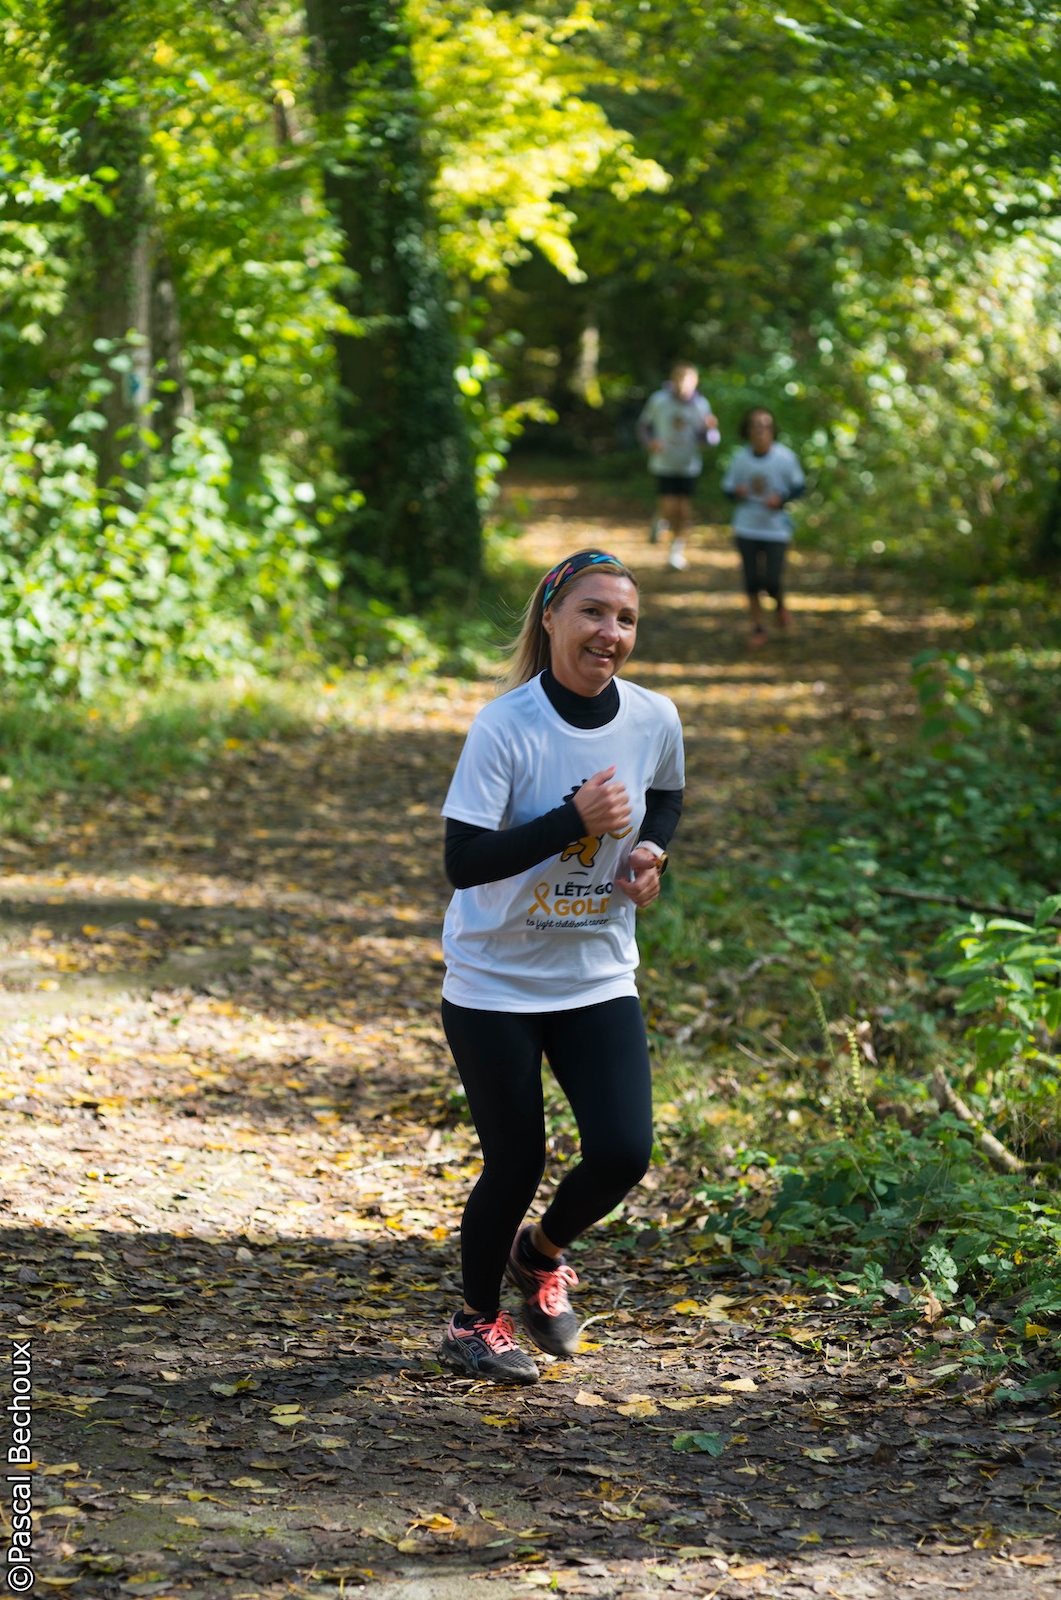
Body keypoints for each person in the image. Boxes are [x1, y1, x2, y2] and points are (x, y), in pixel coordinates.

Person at [437, 549, 686, 1384]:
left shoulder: (653, 717)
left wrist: (650, 851)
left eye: (626, 618)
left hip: (595, 972)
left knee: (623, 1150)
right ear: (550, 618)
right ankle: (474, 1324)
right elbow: (464, 861)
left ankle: (539, 1253)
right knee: (516, 1160)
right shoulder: (504, 725)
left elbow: (667, 794)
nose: (610, 632)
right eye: (592, 612)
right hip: (494, 982)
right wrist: (572, 820)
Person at [722, 406, 806, 647]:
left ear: (772, 430)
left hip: (776, 529)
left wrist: (781, 499)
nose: (760, 431)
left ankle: (779, 606)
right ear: (747, 430)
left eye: (765, 426)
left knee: (772, 579)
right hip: (746, 526)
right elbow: (727, 488)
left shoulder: (785, 457)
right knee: (751, 580)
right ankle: (758, 626)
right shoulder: (740, 458)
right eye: (755, 426)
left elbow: (800, 487)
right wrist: (736, 492)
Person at [637, 361, 720, 571]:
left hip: (688, 465)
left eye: (688, 380)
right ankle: (661, 519)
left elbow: (708, 440)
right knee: (670, 506)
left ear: (695, 382)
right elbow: (644, 426)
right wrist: (650, 443)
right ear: (673, 380)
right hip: (664, 463)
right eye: (680, 379)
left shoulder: (701, 404)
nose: (683, 384)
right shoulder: (659, 400)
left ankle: (676, 551)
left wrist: (710, 429)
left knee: (683, 509)